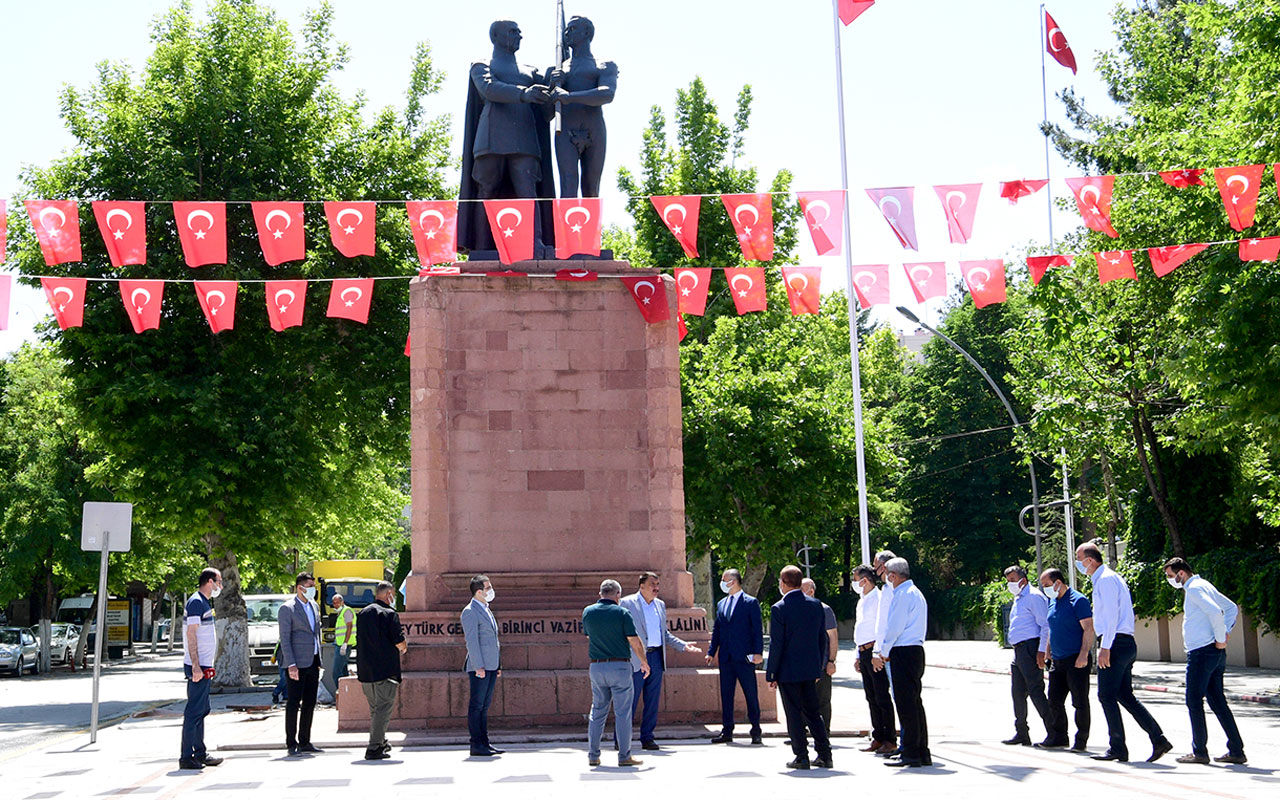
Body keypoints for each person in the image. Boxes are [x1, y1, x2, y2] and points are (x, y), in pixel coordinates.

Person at [457, 19, 556, 253]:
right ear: (495, 36)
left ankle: (535, 243)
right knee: (486, 192)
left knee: (528, 192)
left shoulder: (531, 72)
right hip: (491, 138)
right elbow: (488, 89)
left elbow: (546, 112)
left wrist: (553, 82)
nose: (519, 35)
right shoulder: (481, 65)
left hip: (525, 139)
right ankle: (482, 247)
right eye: (513, 31)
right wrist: (524, 93)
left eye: (519, 32)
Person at [1075, 542, 1172, 763]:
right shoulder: (1106, 578)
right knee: (1124, 695)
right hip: (1122, 642)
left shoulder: (1105, 580)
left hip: (1115, 643)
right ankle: (1158, 739)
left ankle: (1117, 747)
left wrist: (1105, 647)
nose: (1078, 564)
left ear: (1089, 560)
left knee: (1106, 695)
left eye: (1079, 559)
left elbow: (1111, 616)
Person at [1163, 558, 1247, 765]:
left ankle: (1199, 752)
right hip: (1213, 653)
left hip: (1202, 653)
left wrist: (1221, 638)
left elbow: (1215, 611)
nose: (1170, 580)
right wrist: (1224, 633)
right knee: (1217, 701)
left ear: (1181, 573)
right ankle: (1236, 750)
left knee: (1193, 700)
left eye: (1170, 576)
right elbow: (1231, 608)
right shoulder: (1204, 585)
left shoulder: (1194, 589)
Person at [620, 572, 701, 751]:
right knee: (629, 699)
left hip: (656, 657)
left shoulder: (660, 605)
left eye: (658, 584)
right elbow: (621, 631)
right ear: (641, 586)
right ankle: (623, 738)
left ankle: (647, 737)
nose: (656, 588)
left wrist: (683, 645)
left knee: (652, 700)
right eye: (652, 584)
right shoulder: (627, 603)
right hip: (636, 658)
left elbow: (664, 633)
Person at [766, 565, 832, 770]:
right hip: (810, 669)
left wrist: (771, 673)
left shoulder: (779, 608)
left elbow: (777, 644)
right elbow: (822, 639)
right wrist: (818, 666)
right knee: (813, 712)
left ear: (783, 583)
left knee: (794, 713)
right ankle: (825, 754)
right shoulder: (815, 605)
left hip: (788, 670)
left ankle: (801, 755)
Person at [547, 15, 617, 198]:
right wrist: (552, 85)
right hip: (565, 131)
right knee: (568, 186)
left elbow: (607, 93)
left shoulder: (604, 66)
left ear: (586, 32)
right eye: (566, 30)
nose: (567, 33)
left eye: (572, 29)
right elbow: (545, 113)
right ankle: (565, 219)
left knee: (591, 187)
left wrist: (569, 97)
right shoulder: (557, 70)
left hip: (594, 130)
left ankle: (591, 219)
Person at [582, 579, 649, 767]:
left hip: (597, 667)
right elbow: (634, 641)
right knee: (623, 713)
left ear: (600, 593)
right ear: (618, 594)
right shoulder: (622, 613)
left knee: (597, 711)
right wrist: (644, 662)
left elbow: (588, 635)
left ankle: (593, 755)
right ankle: (624, 756)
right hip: (620, 666)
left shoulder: (588, 612)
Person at [874, 557, 931, 768]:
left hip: (903, 651)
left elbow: (895, 626)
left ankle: (910, 753)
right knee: (914, 704)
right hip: (914, 651)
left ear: (893, 576)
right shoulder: (915, 592)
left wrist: (884, 651)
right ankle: (921, 750)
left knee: (906, 706)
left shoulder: (902, 595)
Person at [1038, 568, 1094, 751]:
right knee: (1054, 700)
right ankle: (1060, 737)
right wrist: (1047, 651)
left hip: (1076, 659)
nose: (1045, 589)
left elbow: (1088, 629)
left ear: (1058, 582)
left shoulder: (1078, 600)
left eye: (1047, 585)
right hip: (1058, 660)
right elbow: (1052, 629)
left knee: (1079, 701)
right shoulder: (1053, 602)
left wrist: (1083, 654)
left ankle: (1081, 740)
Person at [706, 568, 764, 745]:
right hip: (726, 657)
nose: (722, 583)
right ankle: (727, 730)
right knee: (726, 695)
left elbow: (757, 629)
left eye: (725, 580)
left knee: (750, 694)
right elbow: (717, 630)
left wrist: (758, 653)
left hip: (745, 657)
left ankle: (756, 730)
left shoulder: (750, 602)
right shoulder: (722, 603)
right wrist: (711, 651)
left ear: (733, 581)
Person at [179, 567, 224, 771]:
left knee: (202, 710)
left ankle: (200, 753)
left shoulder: (203, 602)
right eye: (218, 582)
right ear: (209, 582)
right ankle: (186, 757)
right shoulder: (196, 602)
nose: (220, 586)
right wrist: (196, 665)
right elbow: (191, 634)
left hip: (204, 664)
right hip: (197, 665)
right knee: (194, 711)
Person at [356, 581, 407, 761]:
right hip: (385, 670)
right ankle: (374, 747)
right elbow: (398, 641)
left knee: (375, 710)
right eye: (393, 594)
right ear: (388, 595)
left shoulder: (363, 613)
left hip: (366, 670)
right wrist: (404, 647)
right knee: (383, 709)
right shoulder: (389, 614)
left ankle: (381, 741)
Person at [1002, 565, 1051, 746]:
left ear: (1023, 580)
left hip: (1030, 648)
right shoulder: (1019, 598)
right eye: (1008, 581)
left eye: (1012, 580)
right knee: (1017, 692)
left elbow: (1045, 625)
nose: (1010, 584)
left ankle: (1053, 731)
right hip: (1019, 650)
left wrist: (1042, 651)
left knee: (1036, 690)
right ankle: (1022, 732)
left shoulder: (1034, 597)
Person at [851, 564, 896, 754]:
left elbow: (881, 627)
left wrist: (877, 653)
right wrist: (857, 655)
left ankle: (889, 739)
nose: (853, 583)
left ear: (864, 580)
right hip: (863, 650)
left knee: (881, 696)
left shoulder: (878, 598)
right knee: (871, 696)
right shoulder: (862, 601)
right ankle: (878, 736)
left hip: (874, 650)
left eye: (855, 579)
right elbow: (860, 627)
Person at [279, 571, 324, 756]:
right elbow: (285, 639)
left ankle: (305, 741)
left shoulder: (314, 606)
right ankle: (291, 743)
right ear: (300, 587)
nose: (313, 589)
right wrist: (291, 664)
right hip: (296, 663)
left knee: (310, 702)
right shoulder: (287, 608)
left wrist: (319, 659)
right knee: (293, 703)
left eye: (314, 586)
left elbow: (316, 633)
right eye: (310, 586)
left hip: (313, 660)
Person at [461, 574, 502, 757]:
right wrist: (478, 666)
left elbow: (493, 640)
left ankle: (484, 742)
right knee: (476, 706)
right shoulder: (470, 611)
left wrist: (498, 664)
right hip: (480, 666)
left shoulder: (486, 609)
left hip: (491, 665)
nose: (491, 591)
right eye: (488, 588)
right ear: (479, 592)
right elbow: (472, 642)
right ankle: (476, 744)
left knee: (484, 707)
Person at [801, 577, 839, 734]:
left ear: (811, 591)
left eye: (801, 589)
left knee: (822, 701)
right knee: (802, 701)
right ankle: (801, 732)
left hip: (822, 665)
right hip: (802, 666)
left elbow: (833, 637)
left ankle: (824, 733)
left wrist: (831, 661)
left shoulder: (824, 610)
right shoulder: (797, 610)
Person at [330, 593, 356, 686]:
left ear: (342, 602)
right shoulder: (341, 612)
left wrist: (345, 643)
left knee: (336, 672)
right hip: (340, 644)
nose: (336, 605)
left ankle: (340, 692)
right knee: (343, 671)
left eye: (337, 602)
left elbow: (349, 627)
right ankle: (346, 692)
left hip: (344, 645)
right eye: (334, 603)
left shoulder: (347, 611)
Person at [271, 640, 288, 706]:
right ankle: (276, 692)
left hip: (285, 657)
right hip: (282, 658)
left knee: (286, 678)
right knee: (284, 678)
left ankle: (285, 696)